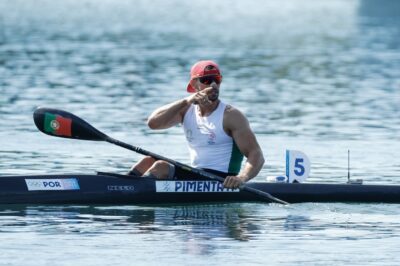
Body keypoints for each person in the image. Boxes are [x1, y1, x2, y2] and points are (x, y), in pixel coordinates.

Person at [128, 60, 264, 189]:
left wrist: (241, 178)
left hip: (222, 180)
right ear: (194, 84)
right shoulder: (186, 110)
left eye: (217, 79)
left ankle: (131, 193)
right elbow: (153, 123)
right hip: (197, 175)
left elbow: (256, 154)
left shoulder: (231, 116)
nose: (213, 85)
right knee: (148, 161)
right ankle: (123, 187)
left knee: (161, 167)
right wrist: (186, 101)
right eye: (206, 80)